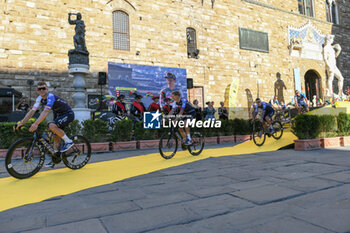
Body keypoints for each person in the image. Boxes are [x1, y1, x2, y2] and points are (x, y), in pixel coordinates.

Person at [15, 81, 75, 167]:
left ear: (47, 89)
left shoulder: (50, 97)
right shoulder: (39, 99)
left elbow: (46, 111)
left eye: (44, 88)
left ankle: (68, 141)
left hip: (68, 114)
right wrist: (21, 123)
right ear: (37, 90)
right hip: (58, 115)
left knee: (52, 126)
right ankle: (56, 158)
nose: (42, 90)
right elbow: (31, 112)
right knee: (55, 136)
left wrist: (35, 124)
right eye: (40, 89)